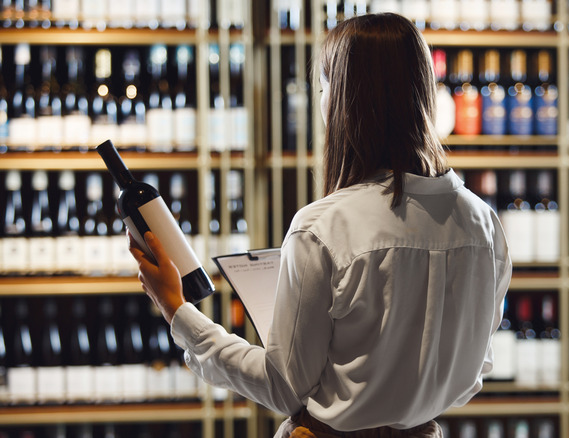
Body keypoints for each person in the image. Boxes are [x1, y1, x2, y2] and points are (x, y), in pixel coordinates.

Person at [129, 12, 511, 438]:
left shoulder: (323, 228)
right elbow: (474, 370)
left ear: (346, 99)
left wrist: (178, 313)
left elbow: (282, 387)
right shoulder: (484, 225)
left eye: (325, 85)